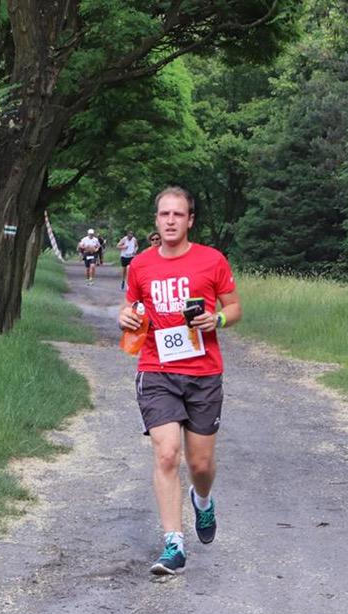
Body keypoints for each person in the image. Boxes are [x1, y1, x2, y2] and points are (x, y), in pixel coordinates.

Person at [118, 186, 241, 576]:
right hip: (156, 370)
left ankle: (202, 500)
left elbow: (234, 307)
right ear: (156, 220)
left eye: (178, 214)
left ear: (190, 220)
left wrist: (216, 319)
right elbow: (131, 308)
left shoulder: (212, 260)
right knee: (167, 453)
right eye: (164, 214)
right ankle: (174, 543)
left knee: (200, 464)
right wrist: (125, 317)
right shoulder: (140, 265)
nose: (170, 221)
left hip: (203, 373)